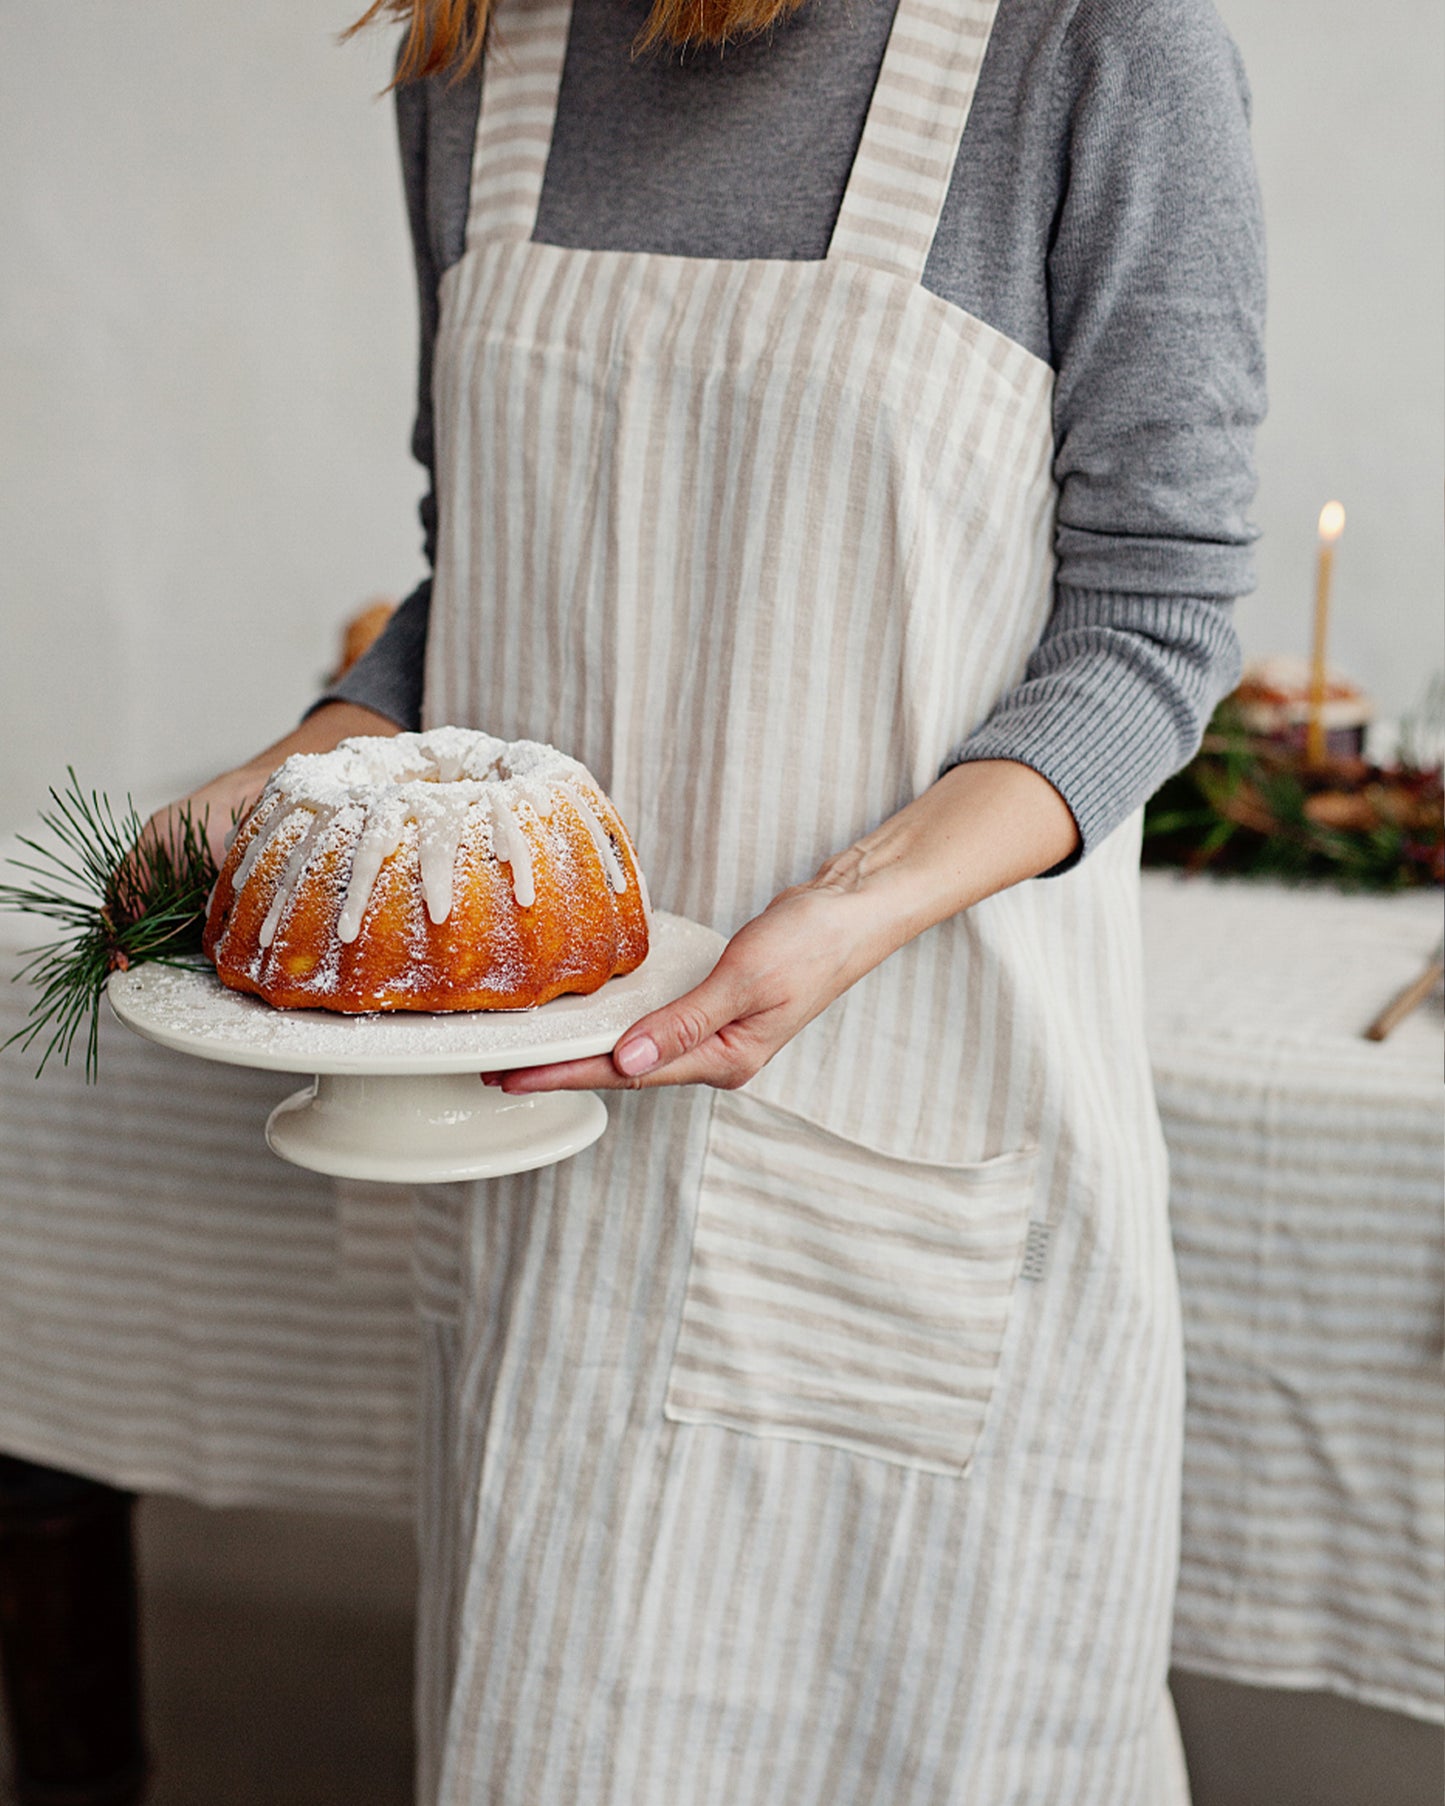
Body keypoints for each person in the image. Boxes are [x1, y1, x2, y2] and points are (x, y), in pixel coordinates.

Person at [154, 0, 1265, 1797]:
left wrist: (850, 903)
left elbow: (1149, 617)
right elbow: (483, 568)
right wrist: (308, 764)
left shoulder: (1097, 45)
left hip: (918, 1109)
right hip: (540, 1170)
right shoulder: (482, 54)